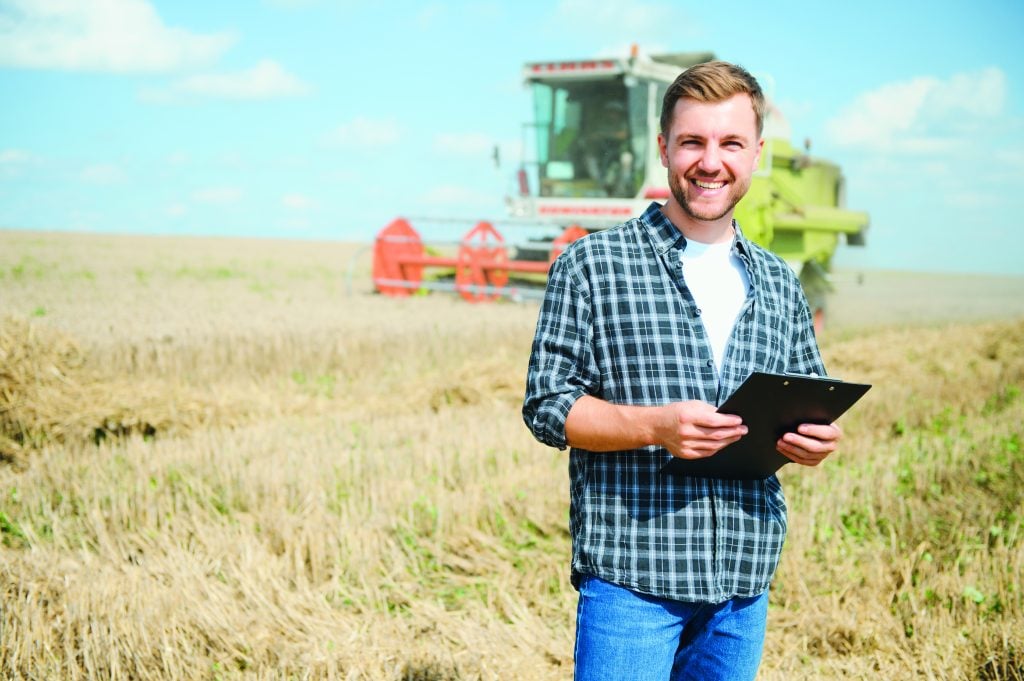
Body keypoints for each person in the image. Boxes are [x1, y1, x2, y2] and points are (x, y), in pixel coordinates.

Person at [522, 61, 842, 681]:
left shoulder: (779, 282)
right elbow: (548, 407)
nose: (710, 161)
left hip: (741, 587)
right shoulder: (592, 265)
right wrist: (655, 427)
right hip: (633, 584)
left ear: (756, 155)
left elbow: (808, 397)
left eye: (730, 143)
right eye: (693, 141)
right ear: (665, 147)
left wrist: (815, 440)